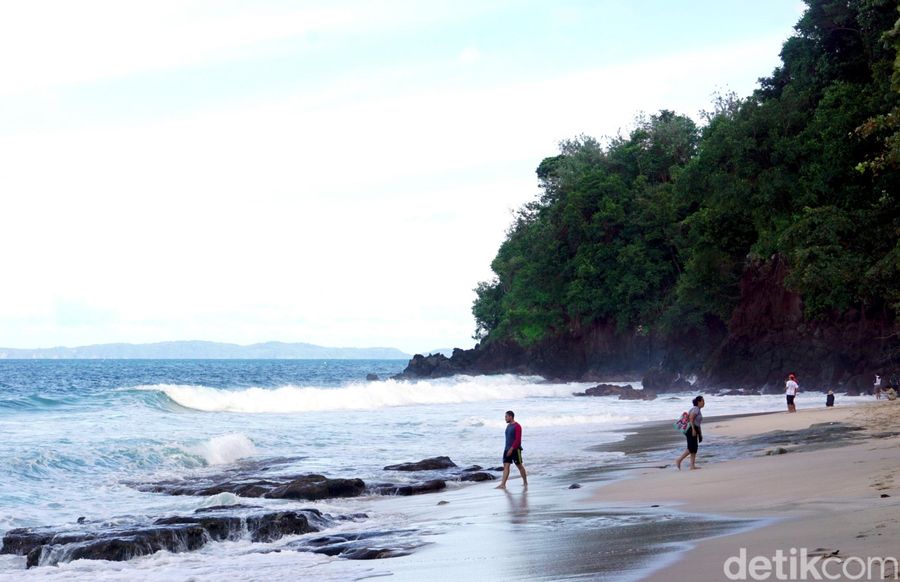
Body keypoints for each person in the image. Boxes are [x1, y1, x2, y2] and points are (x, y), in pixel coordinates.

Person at [496, 410, 527, 489]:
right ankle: (503, 484)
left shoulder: (517, 426)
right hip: (507, 448)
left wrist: (511, 449)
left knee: (519, 466)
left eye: (506, 417)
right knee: (506, 466)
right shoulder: (508, 426)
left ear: (510, 416)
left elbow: (518, 440)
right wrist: (507, 449)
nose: (505, 418)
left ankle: (525, 482)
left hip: (515, 449)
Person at [676, 395, 705, 470]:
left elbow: (698, 423)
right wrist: (693, 430)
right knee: (691, 447)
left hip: (694, 428)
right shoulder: (696, 409)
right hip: (691, 429)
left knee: (694, 448)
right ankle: (679, 460)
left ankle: (692, 466)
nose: (704, 402)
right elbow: (691, 419)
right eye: (702, 401)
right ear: (698, 402)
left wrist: (700, 434)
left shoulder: (697, 409)